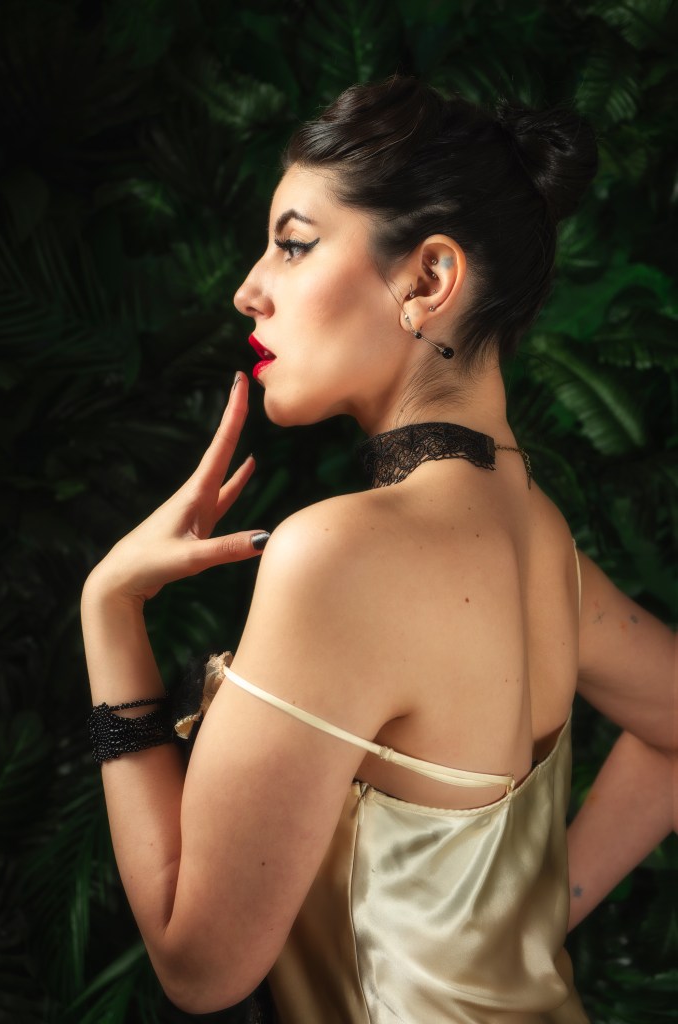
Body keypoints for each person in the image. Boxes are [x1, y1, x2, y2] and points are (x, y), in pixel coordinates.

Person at [81, 77, 675, 1022]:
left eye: (293, 244)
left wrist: (108, 611)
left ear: (427, 280)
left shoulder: (343, 556)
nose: (250, 289)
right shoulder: (543, 545)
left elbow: (199, 969)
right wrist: (512, 936)